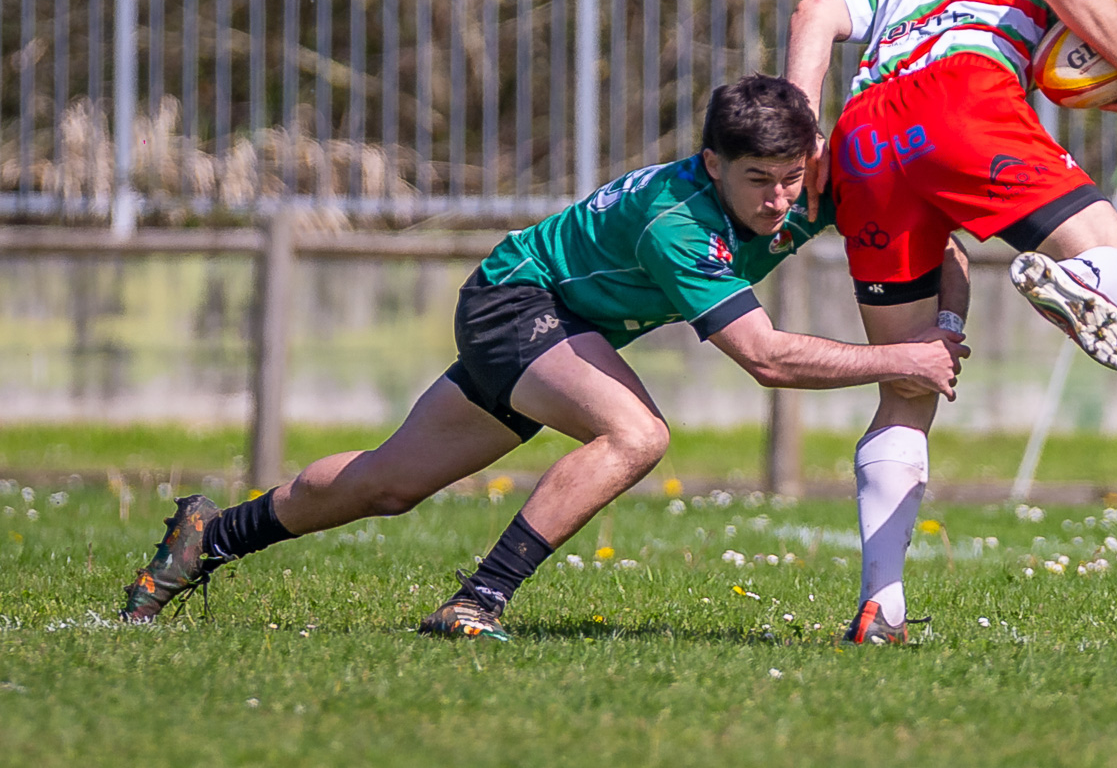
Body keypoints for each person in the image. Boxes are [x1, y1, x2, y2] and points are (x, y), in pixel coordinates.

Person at [120, 74, 970, 641]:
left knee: (388, 483)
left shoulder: (809, 184)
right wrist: (910, 356)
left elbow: (930, 232)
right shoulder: (678, 222)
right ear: (712, 163)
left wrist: (951, 325)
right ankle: (479, 598)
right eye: (758, 180)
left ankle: (211, 533)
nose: (780, 198)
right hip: (514, 305)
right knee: (636, 435)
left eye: (792, 175)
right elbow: (768, 358)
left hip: (557, 321)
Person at [784, 0, 1117, 645]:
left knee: (906, 379)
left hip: (865, 132)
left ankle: (880, 607)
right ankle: (1079, 279)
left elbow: (813, 13)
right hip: (965, 99)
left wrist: (805, 134)